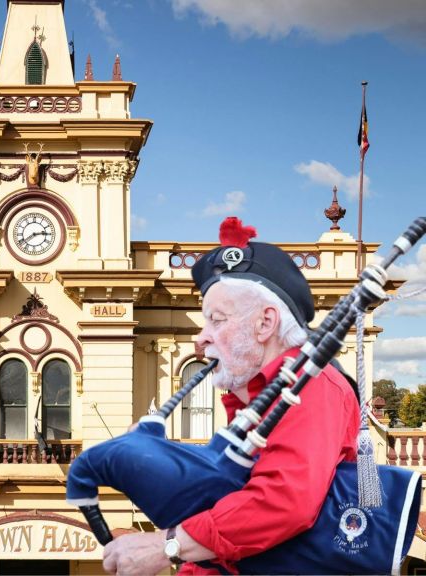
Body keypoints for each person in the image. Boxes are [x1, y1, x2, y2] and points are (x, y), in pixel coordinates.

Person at [102, 217, 360, 575]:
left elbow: (282, 503)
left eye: (216, 320)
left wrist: (165, 546)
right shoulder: (254, 398)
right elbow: (227, 508)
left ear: (265, 324)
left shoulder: (310, 383)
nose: (201, 338)